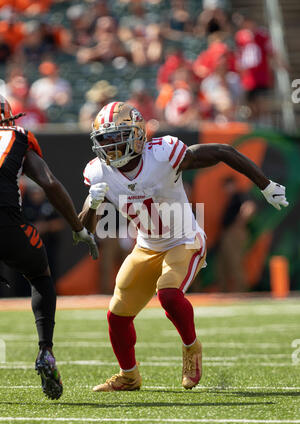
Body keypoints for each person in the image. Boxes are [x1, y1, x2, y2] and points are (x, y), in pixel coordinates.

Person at [80, 101, 288, 392]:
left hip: (184, 240)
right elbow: (83, 230)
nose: (111, 145)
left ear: (138, 135)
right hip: (146, 246)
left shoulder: (163, 155)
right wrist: (93, 203)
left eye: (118, 136)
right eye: (105, 139)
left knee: (167, 293)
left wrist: (265, 185)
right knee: (117, 315)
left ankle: (191, 348)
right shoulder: (99, 173)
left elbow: (223, 152)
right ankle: (129, 375)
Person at [0, 95, 98, 399]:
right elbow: (49, 182)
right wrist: (78, 226)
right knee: (40, 275)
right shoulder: (17, 137)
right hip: (6, 225)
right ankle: (45, 350)